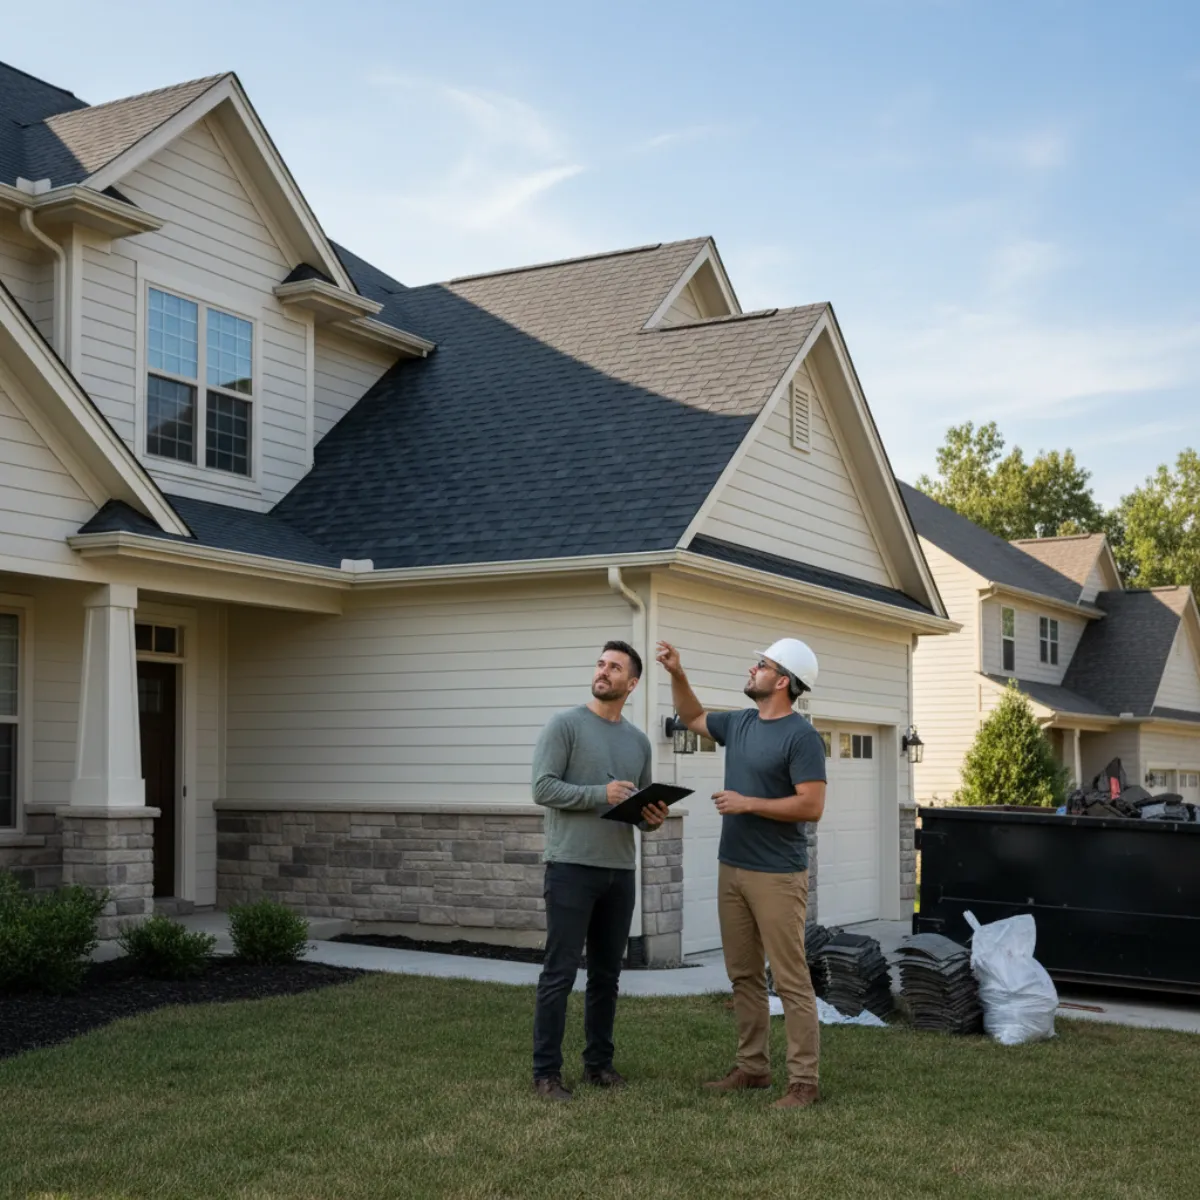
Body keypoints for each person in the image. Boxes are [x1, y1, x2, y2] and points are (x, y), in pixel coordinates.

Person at [656, 636, 827, 1110]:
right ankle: (753, 1069)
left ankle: (803, 1083)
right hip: (732, 868)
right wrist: (677, 673)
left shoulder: (802, 736)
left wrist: (748, 803)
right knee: (744, 975)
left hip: (777, 875)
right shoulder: (742, 723)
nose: (753, 669)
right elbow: (691, 717)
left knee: (790, 979)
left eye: (762, 664)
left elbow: (811, 805)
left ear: (783, 681)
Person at [530, 640, 669, 1101]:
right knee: (560, 972)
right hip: (570, 866)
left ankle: (599, 1065)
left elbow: (638, 807)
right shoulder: (564, 725)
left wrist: (651, 819)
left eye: (614, 667)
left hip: (618, 871)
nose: (603, 672)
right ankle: (546, 1074)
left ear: (632, 683)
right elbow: (543, 788)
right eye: (601, 664)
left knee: (607, 974)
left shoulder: (638, 742)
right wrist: (599, 794)